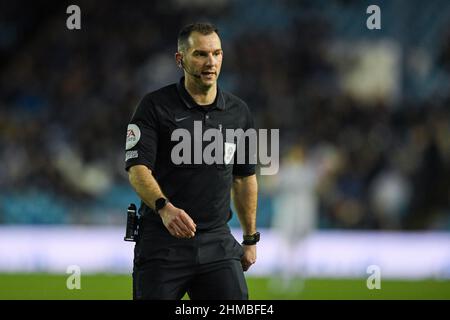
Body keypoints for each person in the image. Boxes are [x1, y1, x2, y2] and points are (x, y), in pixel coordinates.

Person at [124, 22, 259, 300]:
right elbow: (137, 169)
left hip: (217, 243)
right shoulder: (154, 106)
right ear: (180, 59)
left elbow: (245, 178)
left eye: (217, 53)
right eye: (200, 54)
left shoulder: (239, 112)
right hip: (162, 243)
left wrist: (249, 239)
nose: (211, 62)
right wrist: (164, 208)